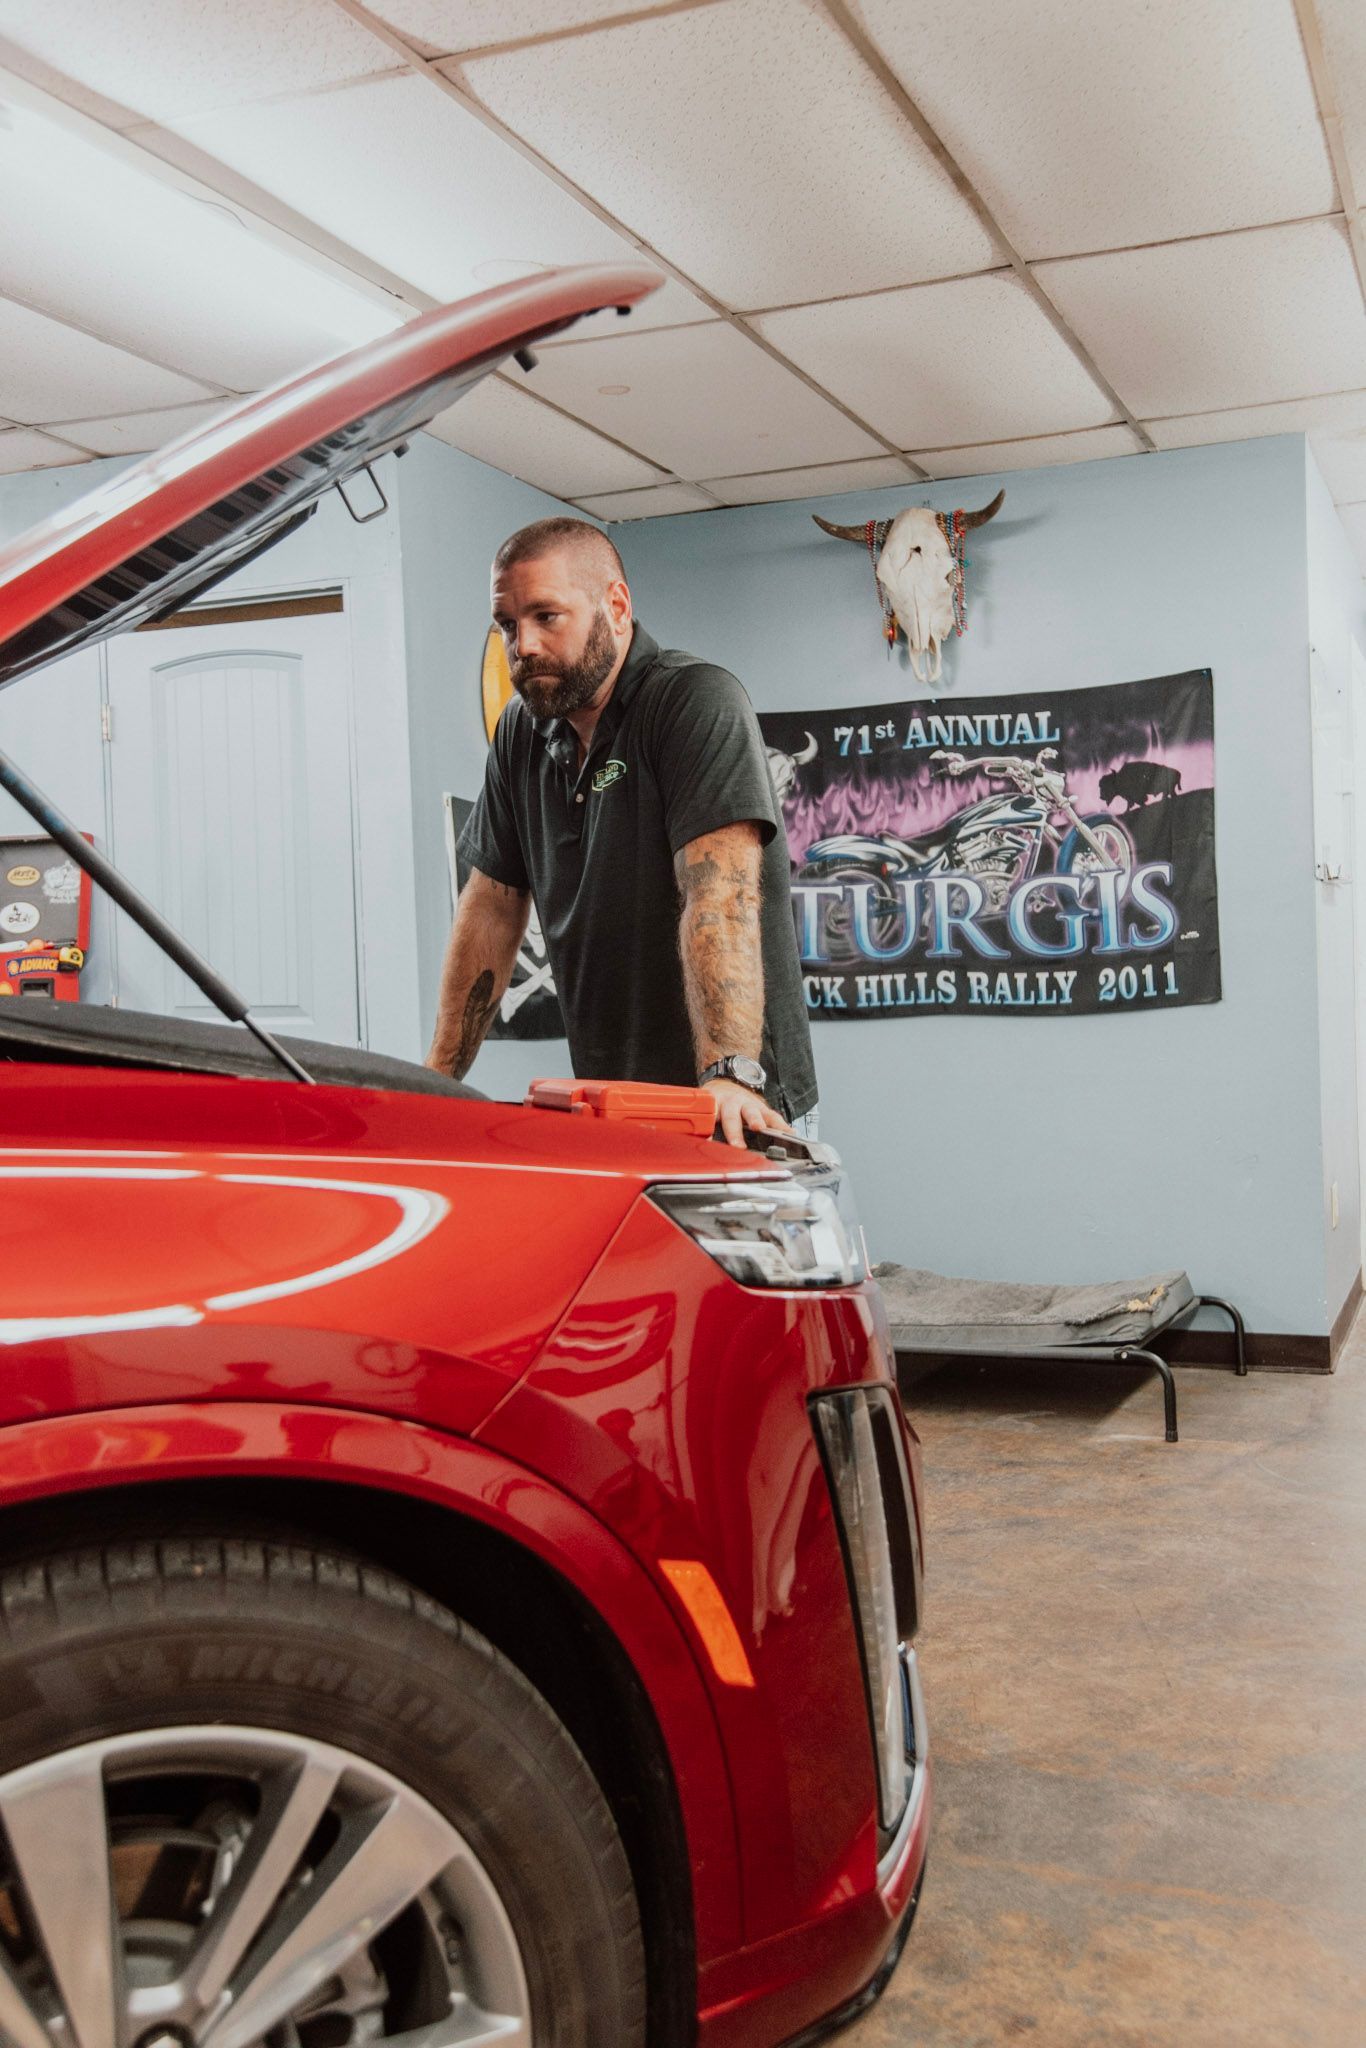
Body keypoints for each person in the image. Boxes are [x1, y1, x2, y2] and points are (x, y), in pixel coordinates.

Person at [426, 517, 818, 1148]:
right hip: (611, 1102)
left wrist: (729, 1075)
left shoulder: (693, 701)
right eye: (507, 624)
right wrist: (437, 1084)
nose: (521, 645)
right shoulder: (520, 736)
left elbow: (720, 897)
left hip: (731, 1107)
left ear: (616, 605)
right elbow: (492, 911)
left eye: (545, 617)